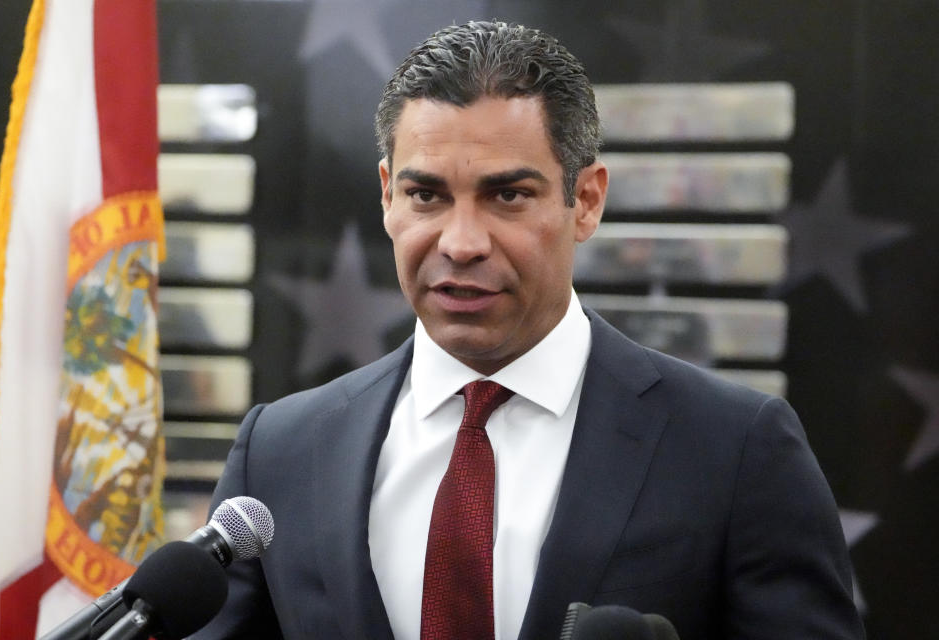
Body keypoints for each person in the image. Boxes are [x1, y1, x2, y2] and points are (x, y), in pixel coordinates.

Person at [191, 20, 864, 640]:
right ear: (387, 197)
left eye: (507, 195)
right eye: (426, 195)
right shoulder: (280, 450)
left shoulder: (736, 451)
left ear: (587, 200)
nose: (460, 242)